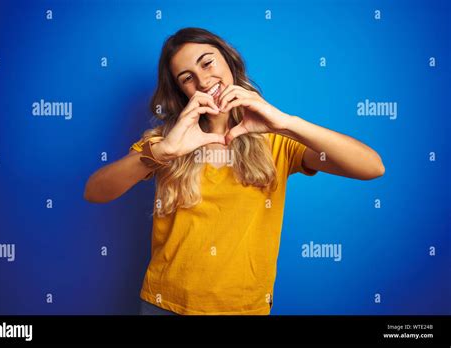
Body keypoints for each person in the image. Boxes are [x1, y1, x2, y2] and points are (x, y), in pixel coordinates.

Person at [84, 27, 385, 315]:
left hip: (244, 307)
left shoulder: (276, 142)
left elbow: (372, 167)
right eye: (187, 77)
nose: (203, 80)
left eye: (208, 62)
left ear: (229, 60)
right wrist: (161, 153)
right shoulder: (166, 142)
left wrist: (286, 123)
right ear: (180, 90)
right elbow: (95, 191)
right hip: (165, 304)